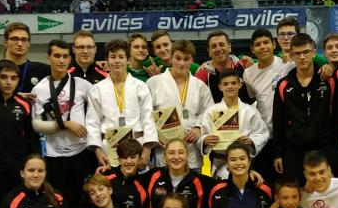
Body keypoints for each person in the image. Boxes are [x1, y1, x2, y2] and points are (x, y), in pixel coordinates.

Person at [31, 39, 95, 208]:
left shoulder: (83, 85)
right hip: (53, 156)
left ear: (70, 59)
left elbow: (97, 114)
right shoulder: (40, 89)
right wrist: (66, 124)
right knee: (57, 200)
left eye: (65, 56)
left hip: (79, 153)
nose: (61, 60)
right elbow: (37, 125)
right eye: (56, 56)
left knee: (81, 200)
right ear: (48, 58)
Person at [273, 33, 336, 184]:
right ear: (291, 55)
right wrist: (277, 154)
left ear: (314, 52)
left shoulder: (328, 81)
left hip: (323, 148)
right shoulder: (283, 85)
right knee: (296, 198)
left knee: (324, 196)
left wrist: (336, 151)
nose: (302, 57)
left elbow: (337, 116)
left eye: (306, 52)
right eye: (297, 53)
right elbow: (278, 121)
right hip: (294, 151)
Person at [86, 39, 158, 169]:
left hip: (137, 146)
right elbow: (92, 122)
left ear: (128, 60)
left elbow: (148, 118)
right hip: (109, 148)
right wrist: (97, 151)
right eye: (112, 57)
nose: (117, 61)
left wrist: (147, 149)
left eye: (121, 57)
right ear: (107, 60)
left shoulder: (140, 86)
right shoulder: (97, 89)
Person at [146, 40, 213, 171]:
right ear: (171, 57)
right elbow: (145, 114)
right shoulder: (153, 83)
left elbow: (208, 112)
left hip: (191, 152)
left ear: (192, 60)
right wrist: (153, 135)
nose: (182, 63)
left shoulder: (200, 86)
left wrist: (199, 128)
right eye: (178, 58)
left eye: (186, 59)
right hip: (164, 150)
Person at [0, 60, 34, 203]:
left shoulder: (25, 105)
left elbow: (30, 136)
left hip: (17, 166)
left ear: (18, 80)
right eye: (3, 77)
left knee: (16, 204)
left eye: (13, 78)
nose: (8, 82)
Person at [199, 68, 269, 179]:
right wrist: (205, 140)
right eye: (225, 84)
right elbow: (202, 134)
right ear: (220, 87)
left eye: (233, 83)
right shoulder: (211, 111)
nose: (230, 87)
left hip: (243, 162)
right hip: (219, 161)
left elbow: (262, 133)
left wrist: (252, 141)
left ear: (240, 84)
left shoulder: (250, 110)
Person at [243, 28, 290, 183]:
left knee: (286, 182)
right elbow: (251, 99)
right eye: (258, 44)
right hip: (263, 135)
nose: (262, 47)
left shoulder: (286, 64)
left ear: (274, 44)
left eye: (266, 43)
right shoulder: (248, 73)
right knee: (265, 181)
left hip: (286, 135)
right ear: (252, 49)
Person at [143, 139, 216, 208]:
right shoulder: (152, 176)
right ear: (165, 157)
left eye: (181, 152)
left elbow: (226, 188)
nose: (176, 157)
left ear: (187, 156)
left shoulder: (200, 181)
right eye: (171, 153)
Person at [0, 22, 50, 96]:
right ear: (6, 43)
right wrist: (16, 97)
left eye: (24, 39)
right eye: (15, 39)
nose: (19, 44)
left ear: (29, 44)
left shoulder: (44, 71)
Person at [95, 139, 150, 208]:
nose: (128, 161)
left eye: (133, 157)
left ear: (140, 159)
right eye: (124, 157)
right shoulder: (106, 177)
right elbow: (86, 206)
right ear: (119, 159)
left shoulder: (144, 183)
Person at [195, 31, 253, 104]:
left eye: (221, 44)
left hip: (246, 114)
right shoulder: (202, 75)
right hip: (215, 115)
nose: (218, 49)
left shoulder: (245, 65)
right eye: (214, 46)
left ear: (229, 47)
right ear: (209, 51)